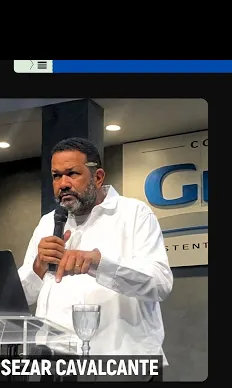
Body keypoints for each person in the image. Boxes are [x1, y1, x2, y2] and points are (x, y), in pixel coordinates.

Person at [18, 137, 173, 367]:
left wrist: (100, 265)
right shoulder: (47, 223)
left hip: (122, 362)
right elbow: (22, 297)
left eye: (72, 173)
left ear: (98, 177)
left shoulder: (134, 214)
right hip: (55, 365)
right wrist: (37, 268)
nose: (63, 184)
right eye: (56, 176)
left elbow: (160, 283)